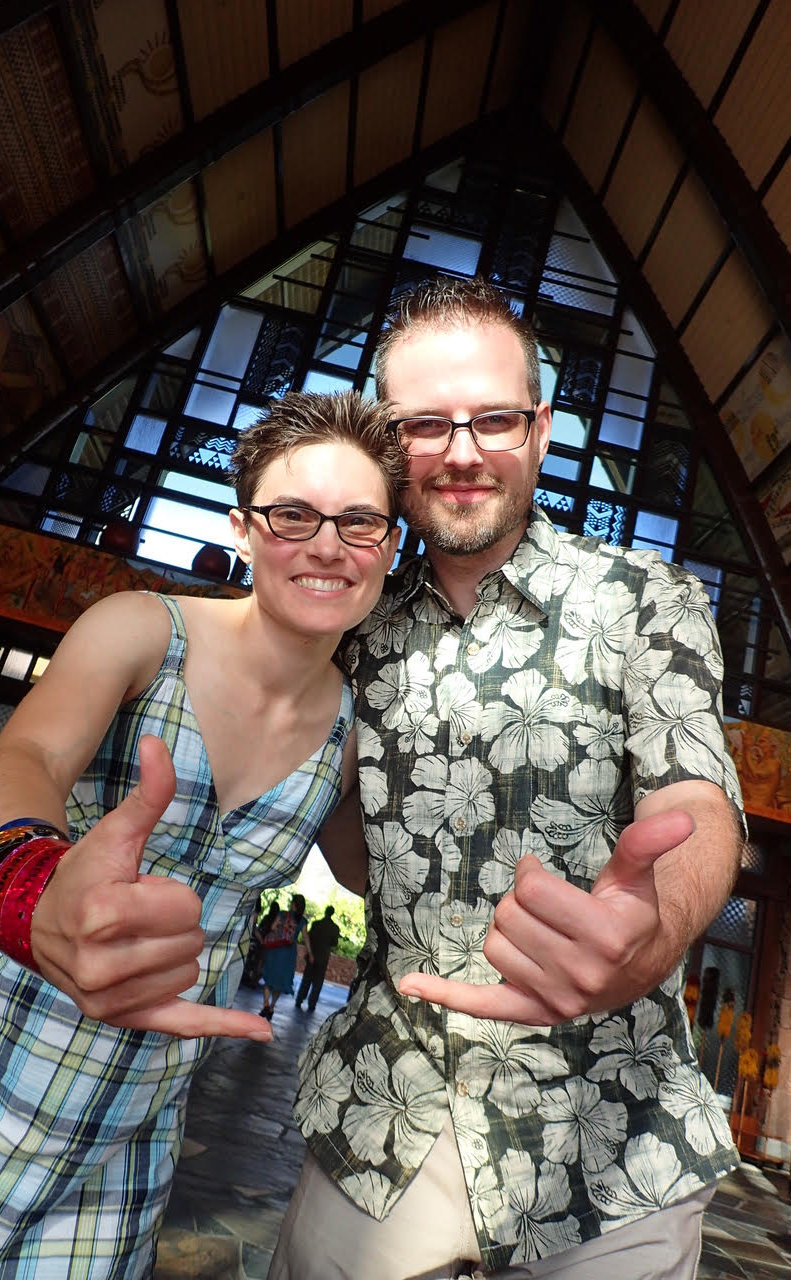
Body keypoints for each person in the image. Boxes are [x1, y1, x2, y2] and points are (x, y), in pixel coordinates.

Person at [273, 277, 746, 1279]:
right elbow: (356, 861)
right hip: (384, 1117)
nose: (459, 450)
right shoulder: (349, 624)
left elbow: (695, 800)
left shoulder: (642, 598)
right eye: (423, 425)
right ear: (386, 444)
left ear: (537, 429)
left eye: (492, 417)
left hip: (610, 1133)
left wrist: (652, 930)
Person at [0, 389, 403, 1279]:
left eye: (359, 522)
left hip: (124, 1135)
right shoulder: (143, 629)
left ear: (388, 548)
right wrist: (30, 881)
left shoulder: (355, 743)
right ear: (241, 529)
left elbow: (384, 880)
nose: (325, 545)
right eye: (292, 514)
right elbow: (25, 756)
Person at [260, 891, 311, 1019]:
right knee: (281, 982)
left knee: (269, 977)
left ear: (293, 904)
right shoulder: (302, 921)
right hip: (289, 953)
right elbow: (306, 938)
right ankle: (271, 1007)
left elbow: (272, 927)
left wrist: (278, 931)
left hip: (276, 950)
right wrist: (310, 953)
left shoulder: (283, 914)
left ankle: (265, 1004)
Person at [296, 904, 341, 1012]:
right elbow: (334, 943)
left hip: (312, 956)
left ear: (325, 912)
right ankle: (312, 1004)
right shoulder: (334, 928)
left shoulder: (316, 924)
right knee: (317, 983)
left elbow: (309, 937)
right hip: (323, 958)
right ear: (332, 913)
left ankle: (299, 999)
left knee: (306, 979)